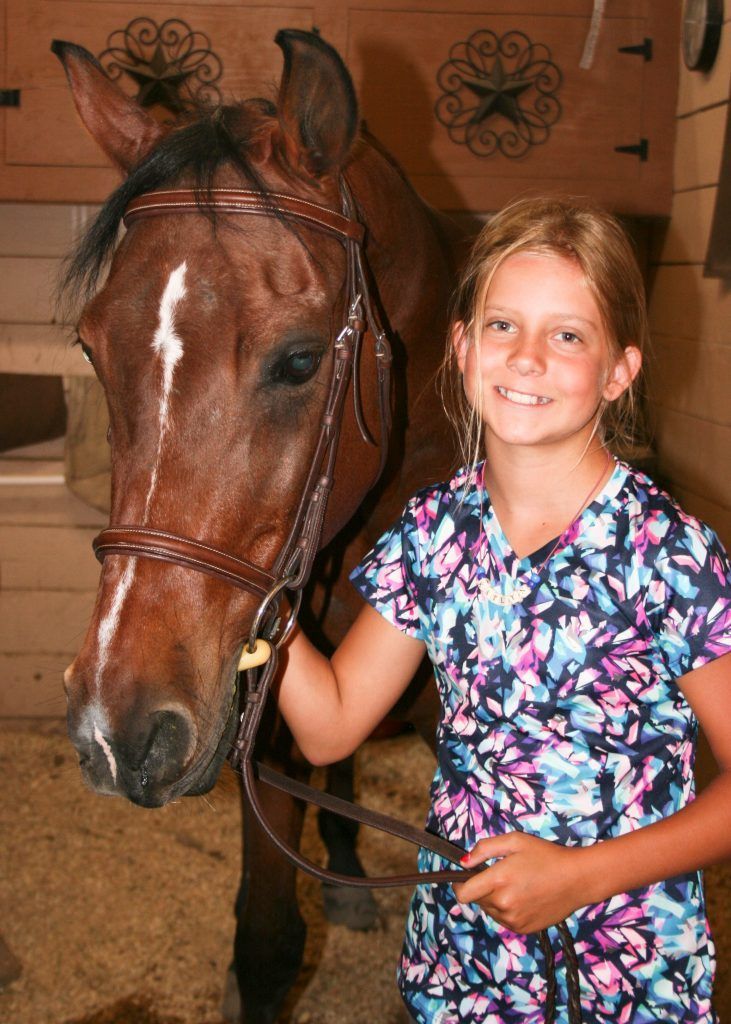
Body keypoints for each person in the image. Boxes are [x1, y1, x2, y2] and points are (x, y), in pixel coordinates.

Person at [277, 197, 731, 1023]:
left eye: (566, 336)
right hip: (460, 952)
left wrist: (577, 877)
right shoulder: (434, 529)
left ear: (618, 369)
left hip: (622, 964)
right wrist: (253, 603)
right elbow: (331, 726)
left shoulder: (667, 553)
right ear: (460, 348)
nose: (526, 358)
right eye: (501, 327)